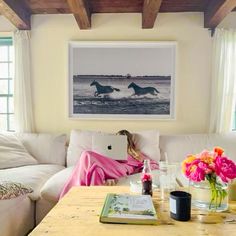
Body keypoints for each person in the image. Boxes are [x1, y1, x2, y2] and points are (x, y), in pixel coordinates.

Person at [59, 130, 158, 199]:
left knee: (87, 154)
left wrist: (137, 169)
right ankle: (95, 200)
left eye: (123, 140)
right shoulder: (110, 151)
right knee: (96, 170)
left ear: (128, 141)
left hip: (121, 169)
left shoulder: (136, 153)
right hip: (108, 168)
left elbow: (154, 165)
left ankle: (69, 194)